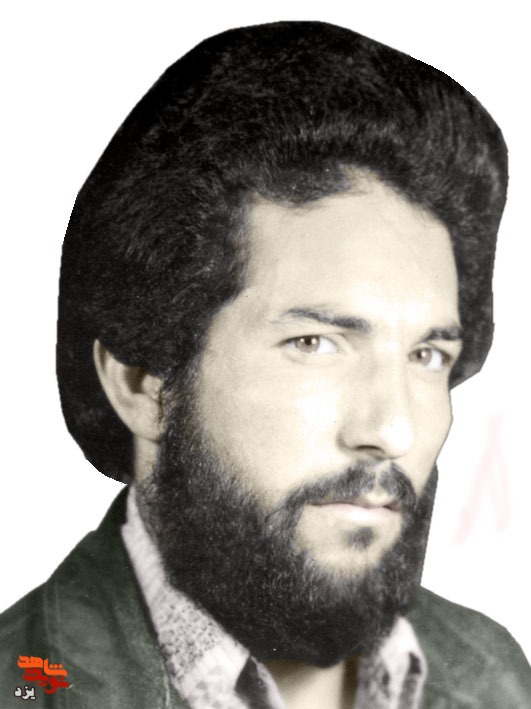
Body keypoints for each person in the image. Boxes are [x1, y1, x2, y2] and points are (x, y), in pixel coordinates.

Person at [1, 20, 530, 708]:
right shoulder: (22, 684)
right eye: (315, 343)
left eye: (427, 355)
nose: (393, 430)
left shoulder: (499, 676)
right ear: (141, 383)